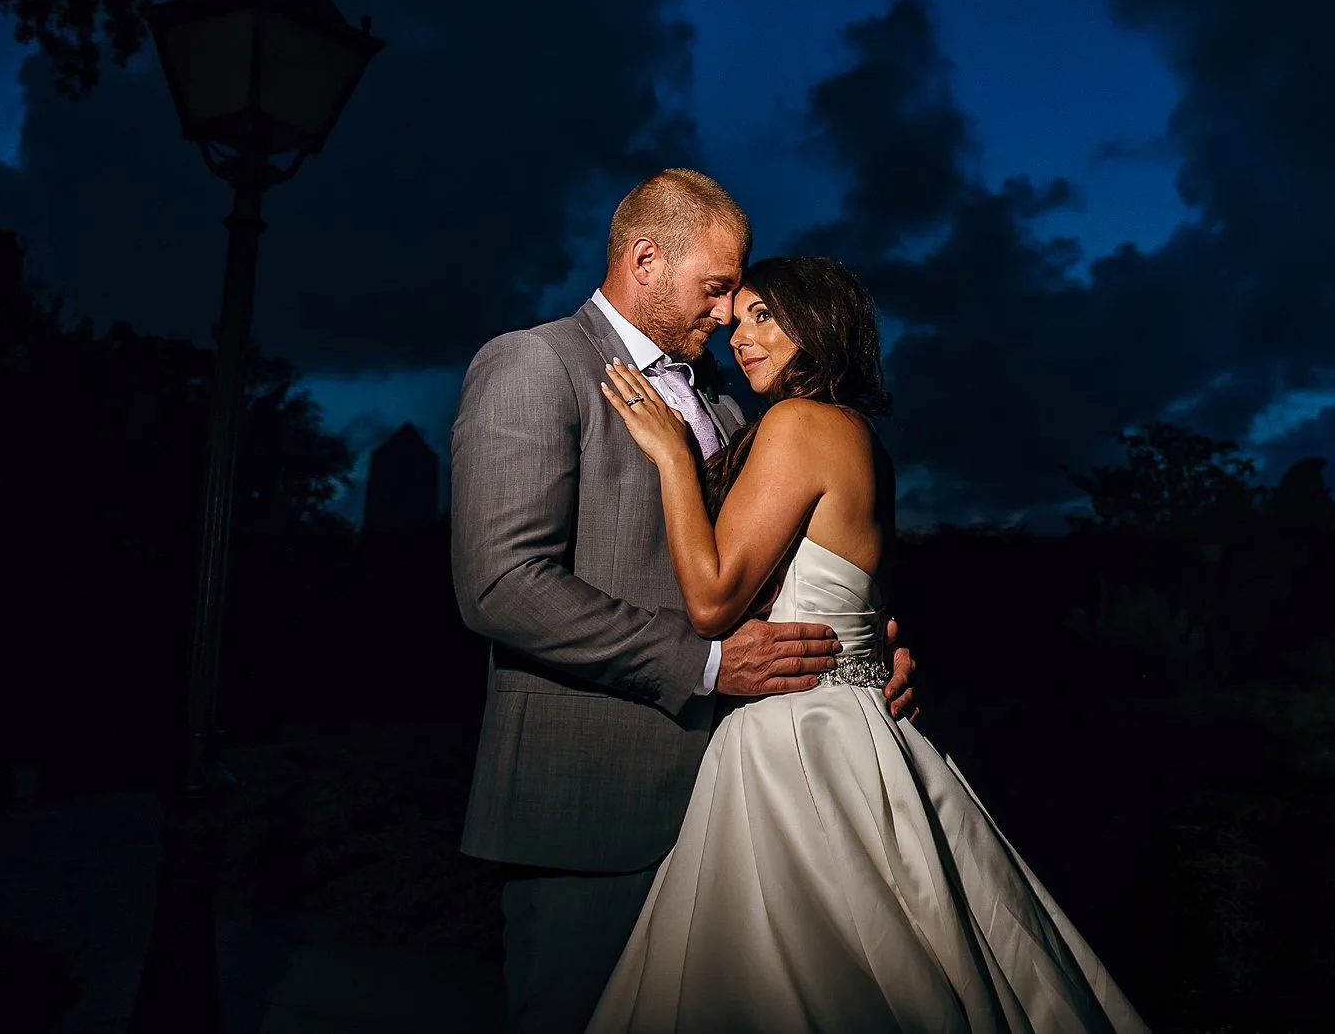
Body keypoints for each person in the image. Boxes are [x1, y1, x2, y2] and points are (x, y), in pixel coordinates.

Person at [585, 255, 1148, 1034]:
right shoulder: (860, 437)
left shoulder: (797, 422)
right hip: (861, 727)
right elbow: (864, 598)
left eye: (763, 316)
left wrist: (675, 458)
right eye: (737, 317)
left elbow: (714, 600)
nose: (739, 337)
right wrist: (892, 651)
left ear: (819, 324)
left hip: (798, 740)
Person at [449, 169, 918, 1034]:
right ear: (644, 258)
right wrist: (705, 661)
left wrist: (866, 646)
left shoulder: (733, 410)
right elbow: (501, 582)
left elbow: (792, 558)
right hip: (592, 807)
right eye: (716, 287)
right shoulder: (536, 361)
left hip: (741, 802)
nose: (729, 309)